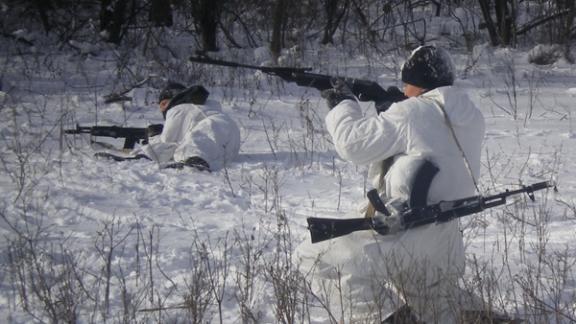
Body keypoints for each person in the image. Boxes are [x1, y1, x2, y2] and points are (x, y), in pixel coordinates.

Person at [296, 45, 485, 323]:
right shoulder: (470, 114)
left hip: (405, 228)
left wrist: (343, 103)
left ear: (417, 84)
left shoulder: (411, 113)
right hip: (446, 231)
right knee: (434, 299)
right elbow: (431, 138)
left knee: (316, 257)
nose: (403, 90)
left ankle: (386, 318)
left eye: (406, 84)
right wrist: (394, 107)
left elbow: (353, 144)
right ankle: (476, 316)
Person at [134, 82, 241, 171]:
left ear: (174, 98)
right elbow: (175, 145)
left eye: (163, 103)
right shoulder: (201, 106)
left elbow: (167, 140)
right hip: (232, 137)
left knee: (194, 142)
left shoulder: (177, 109)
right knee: (187, 146)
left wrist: (153, 138)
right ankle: (197, 159)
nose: (161, 109)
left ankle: (195, 162)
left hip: (212, 126)